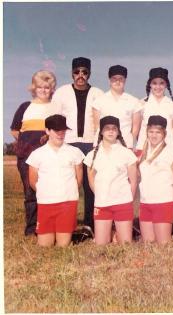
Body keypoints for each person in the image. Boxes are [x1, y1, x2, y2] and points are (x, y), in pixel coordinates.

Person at [52, 57, 104, 233]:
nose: (80, 75)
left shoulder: (97, 93)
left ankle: (90, 224)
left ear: (89, 73)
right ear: (72, 73)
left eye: (84, 72)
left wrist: (99, 143)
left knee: (91, 187)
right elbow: (55, 119)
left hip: (91, 143)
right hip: (69, 143)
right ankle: (66, 223)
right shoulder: (61, 93)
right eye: (77, 72)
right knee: (69, 184)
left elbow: (101, 120)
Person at [10, 70, 57, 236]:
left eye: (47, 87)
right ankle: (31, 229)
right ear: (34, 88)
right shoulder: (25, 106)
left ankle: (47, 226)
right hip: (26, 158)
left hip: (49, 157)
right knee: (30, 193)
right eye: (40, 87)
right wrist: (27, 142)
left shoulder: (55, 107)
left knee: (48, 192)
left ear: (52, 89)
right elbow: (15, 131)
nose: (43, 90)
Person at [26, 115, 84, 247]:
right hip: (46, 203)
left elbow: (78, 179)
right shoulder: (37, 154)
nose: (60, 134)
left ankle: (71, 233)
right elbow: (32, 181)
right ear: (47, 130)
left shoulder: (75, 152)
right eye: (56, 131)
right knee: (45, 246)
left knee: (63, 246)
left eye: (63, 131)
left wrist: (68, 192)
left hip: (67, 203)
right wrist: (47, 193)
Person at [84, 116, 138, 245]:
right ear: (101, 132)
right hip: (102, 204)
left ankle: (117, 234)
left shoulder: (127, 153)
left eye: (114, 129)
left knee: (125, 244)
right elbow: (91, 179)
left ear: (118, 132)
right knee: (101, 245)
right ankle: (112, 234)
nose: (111, 132)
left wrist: (128, 199)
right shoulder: (92, 155)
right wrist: (101, 195)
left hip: (122, 202)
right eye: (107, 128)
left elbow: (134, 181)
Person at [138, 115, 173, 244]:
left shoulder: (170, 152)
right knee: (148, 244)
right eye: (151, 131)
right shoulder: (144, 152)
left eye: (158, 132)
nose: (154, 135)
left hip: (163, 202)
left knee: (163, 246)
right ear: (147, 132)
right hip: (145, 203)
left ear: (164, 134)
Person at [92, 65, 141, 149]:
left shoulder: (134, 102)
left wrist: (130, 144)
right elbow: (97, 127)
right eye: (114, 79)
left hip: (125, 145)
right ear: (109, 80)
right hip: (103, 146)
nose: (117, 82)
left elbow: (135, 128)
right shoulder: (99, 101)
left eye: (121, 79)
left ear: (125, 80)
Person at [136, 67, 173, 155]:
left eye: (161, 83)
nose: (158, 87)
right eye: (154, 83)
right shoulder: (141, 104)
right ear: (150, 85)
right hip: (144, 149)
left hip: (167, 149)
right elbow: (137, 131)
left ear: (166, 85)